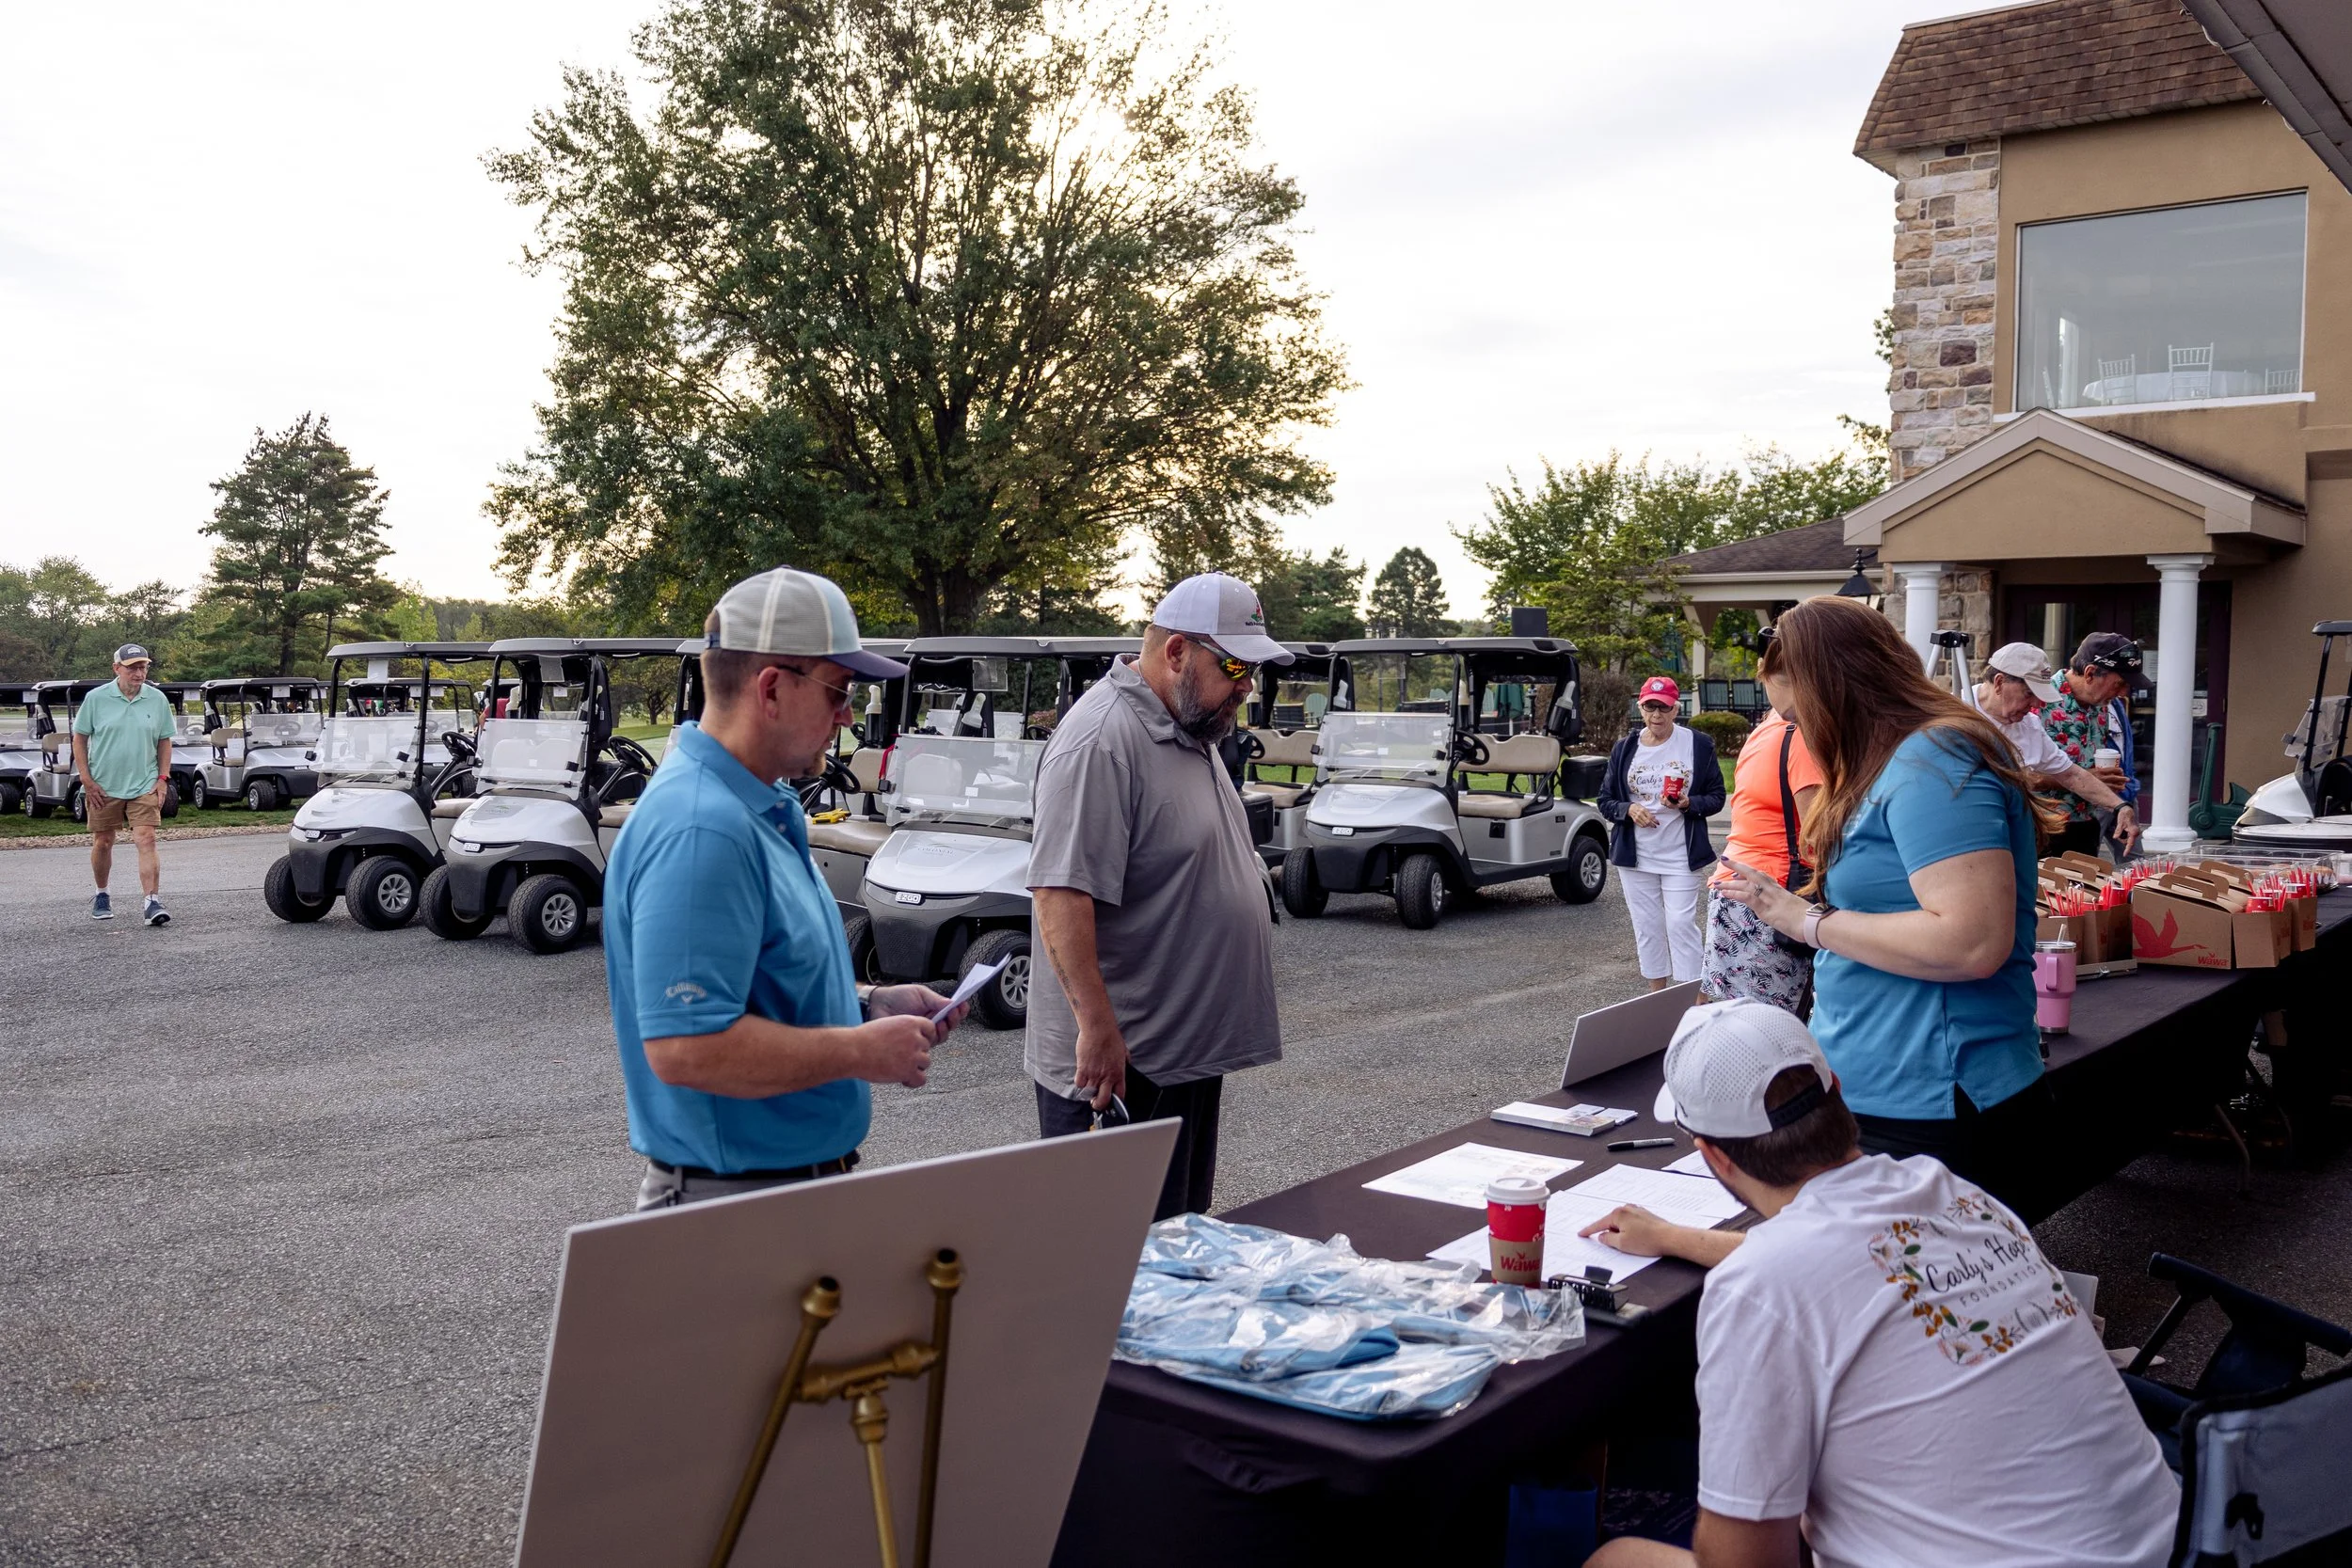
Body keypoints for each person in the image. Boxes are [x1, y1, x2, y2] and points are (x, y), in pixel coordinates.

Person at [1580, 1000, 2178, 1568]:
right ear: (1836, 1089)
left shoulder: (1761, 1286)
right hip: (2175, 1542)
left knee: (1615, 1559)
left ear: (1713, 1156)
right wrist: (1675, 1237)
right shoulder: (1952, 1194)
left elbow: (1744, 1562)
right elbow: (1848, 1264)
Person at [604, 568, 969, 1211]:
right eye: (839, 690)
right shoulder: (703, 827)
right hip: (734, 1204)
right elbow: (687, 1048)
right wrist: (860, 1052)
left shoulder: (750, 805)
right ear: (771, 688)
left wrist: (868, 1002)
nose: (848, 715)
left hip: (765, 1191)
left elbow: (760, 981)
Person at [1714, 595, 2058, 1220]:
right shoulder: (1890, 758)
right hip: (1887, 1091)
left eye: (1798, 716)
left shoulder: (1933, 758)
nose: (1799, 734)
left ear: (1832, 687)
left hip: (1934, 1100)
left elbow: (1972, 940)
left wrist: (1808, 922)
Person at [1026, 572, 1286, 1220]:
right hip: (1119, 1072)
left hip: (1179, 1059)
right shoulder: (1101, 740)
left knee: (1177, 1255)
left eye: (1252, 668)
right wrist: (1097, 1027)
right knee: (1110, 1270)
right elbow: (1059, 894)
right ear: (1176, 653)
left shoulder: (1190, 728)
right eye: (1234, 665)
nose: (1246, 685)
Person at [1698, 648, 1820, 1012]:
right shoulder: (1799, 734)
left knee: (1732, 1020)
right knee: (1772, 1029)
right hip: (1772, 894)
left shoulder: (1763, 729)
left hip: (1736, 888)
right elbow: (1817, 835)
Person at [1597, 676, 1725, 991]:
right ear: (1640, 708)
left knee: (1681, 924)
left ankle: (1693, 999)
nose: (1657, 714)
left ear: (1675, 709)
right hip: (1636, 855)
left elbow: (1717, 796)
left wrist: (1688, 803)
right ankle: (1657, 999)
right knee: (1648, 927)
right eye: (1650, 706)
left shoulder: (1697, 744)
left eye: (1664, 707)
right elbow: (1605, 800)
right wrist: (1628, 810)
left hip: (1680, 853)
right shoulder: (1625, 748)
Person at [1969, 641, 2138, 854]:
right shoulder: (1957, 710)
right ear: (2000, 683)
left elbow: (2070, 774)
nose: (2037, 706)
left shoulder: (2029, 724)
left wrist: (2120, 806)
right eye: (2029, 694)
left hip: (2015, 836)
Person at [72, 643, 177, 927]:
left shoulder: (157, 700)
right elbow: (79, 739)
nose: (138, 672)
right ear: (117, 668)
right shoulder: (96, 699)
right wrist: (86, 779)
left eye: (143, 667)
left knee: (147, 838)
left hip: (145, 783)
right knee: (104, 841)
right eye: (132, 667)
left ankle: (151, 902)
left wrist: (162, 778)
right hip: (103, 785)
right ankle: (102, 894)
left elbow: (164, 741)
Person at [2040, 632, 2144, 859]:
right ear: (2089, 674)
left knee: (2084, 895)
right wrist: (2089, 777)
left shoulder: (2103, 704)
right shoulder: (2038, 699)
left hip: (2087, 825)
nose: (2124, 692)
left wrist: (2115, 799)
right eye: (2120, 683)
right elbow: (2018, 775)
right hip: (2043, 828)